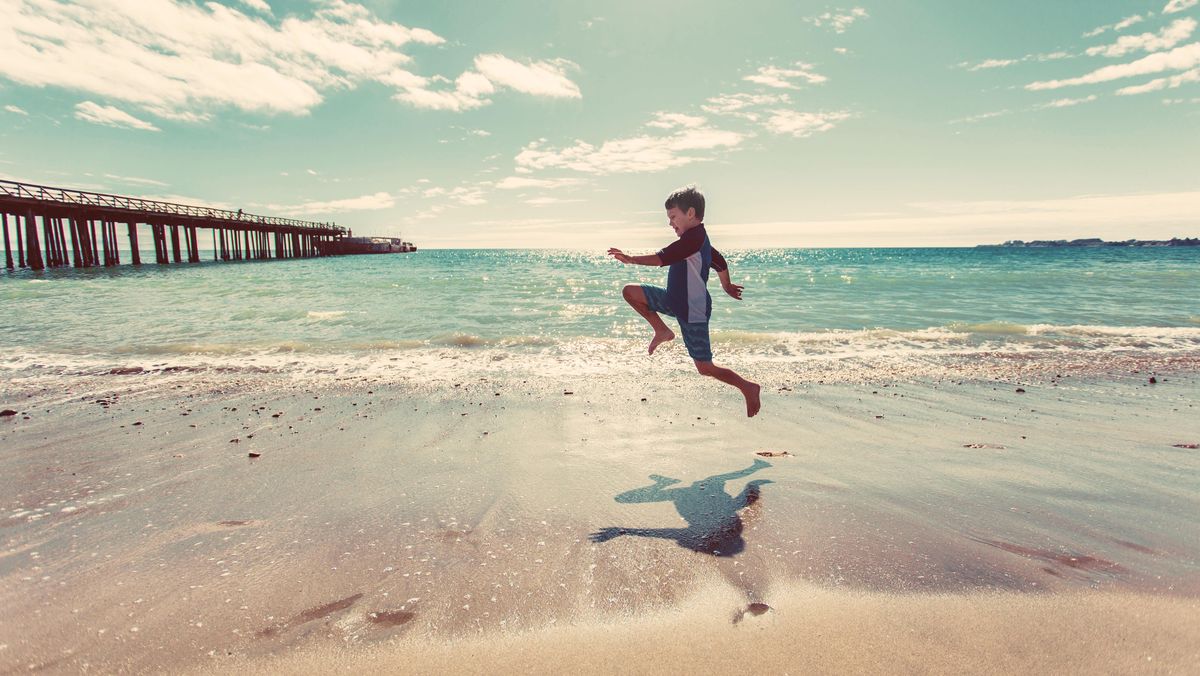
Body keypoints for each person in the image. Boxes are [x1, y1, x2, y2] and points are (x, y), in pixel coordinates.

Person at [608, 185, 761, 417]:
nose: (670, 223)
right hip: (674, 300)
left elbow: (663, 258)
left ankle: (748, 387)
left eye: (673, 217)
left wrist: (631, 259)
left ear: (690, 213)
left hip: (693, 309)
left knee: (705, 368)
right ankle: (661, 331)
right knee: (630, 292)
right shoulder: (698, 240)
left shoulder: (693, 240)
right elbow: (719, 262)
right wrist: (726, 285)